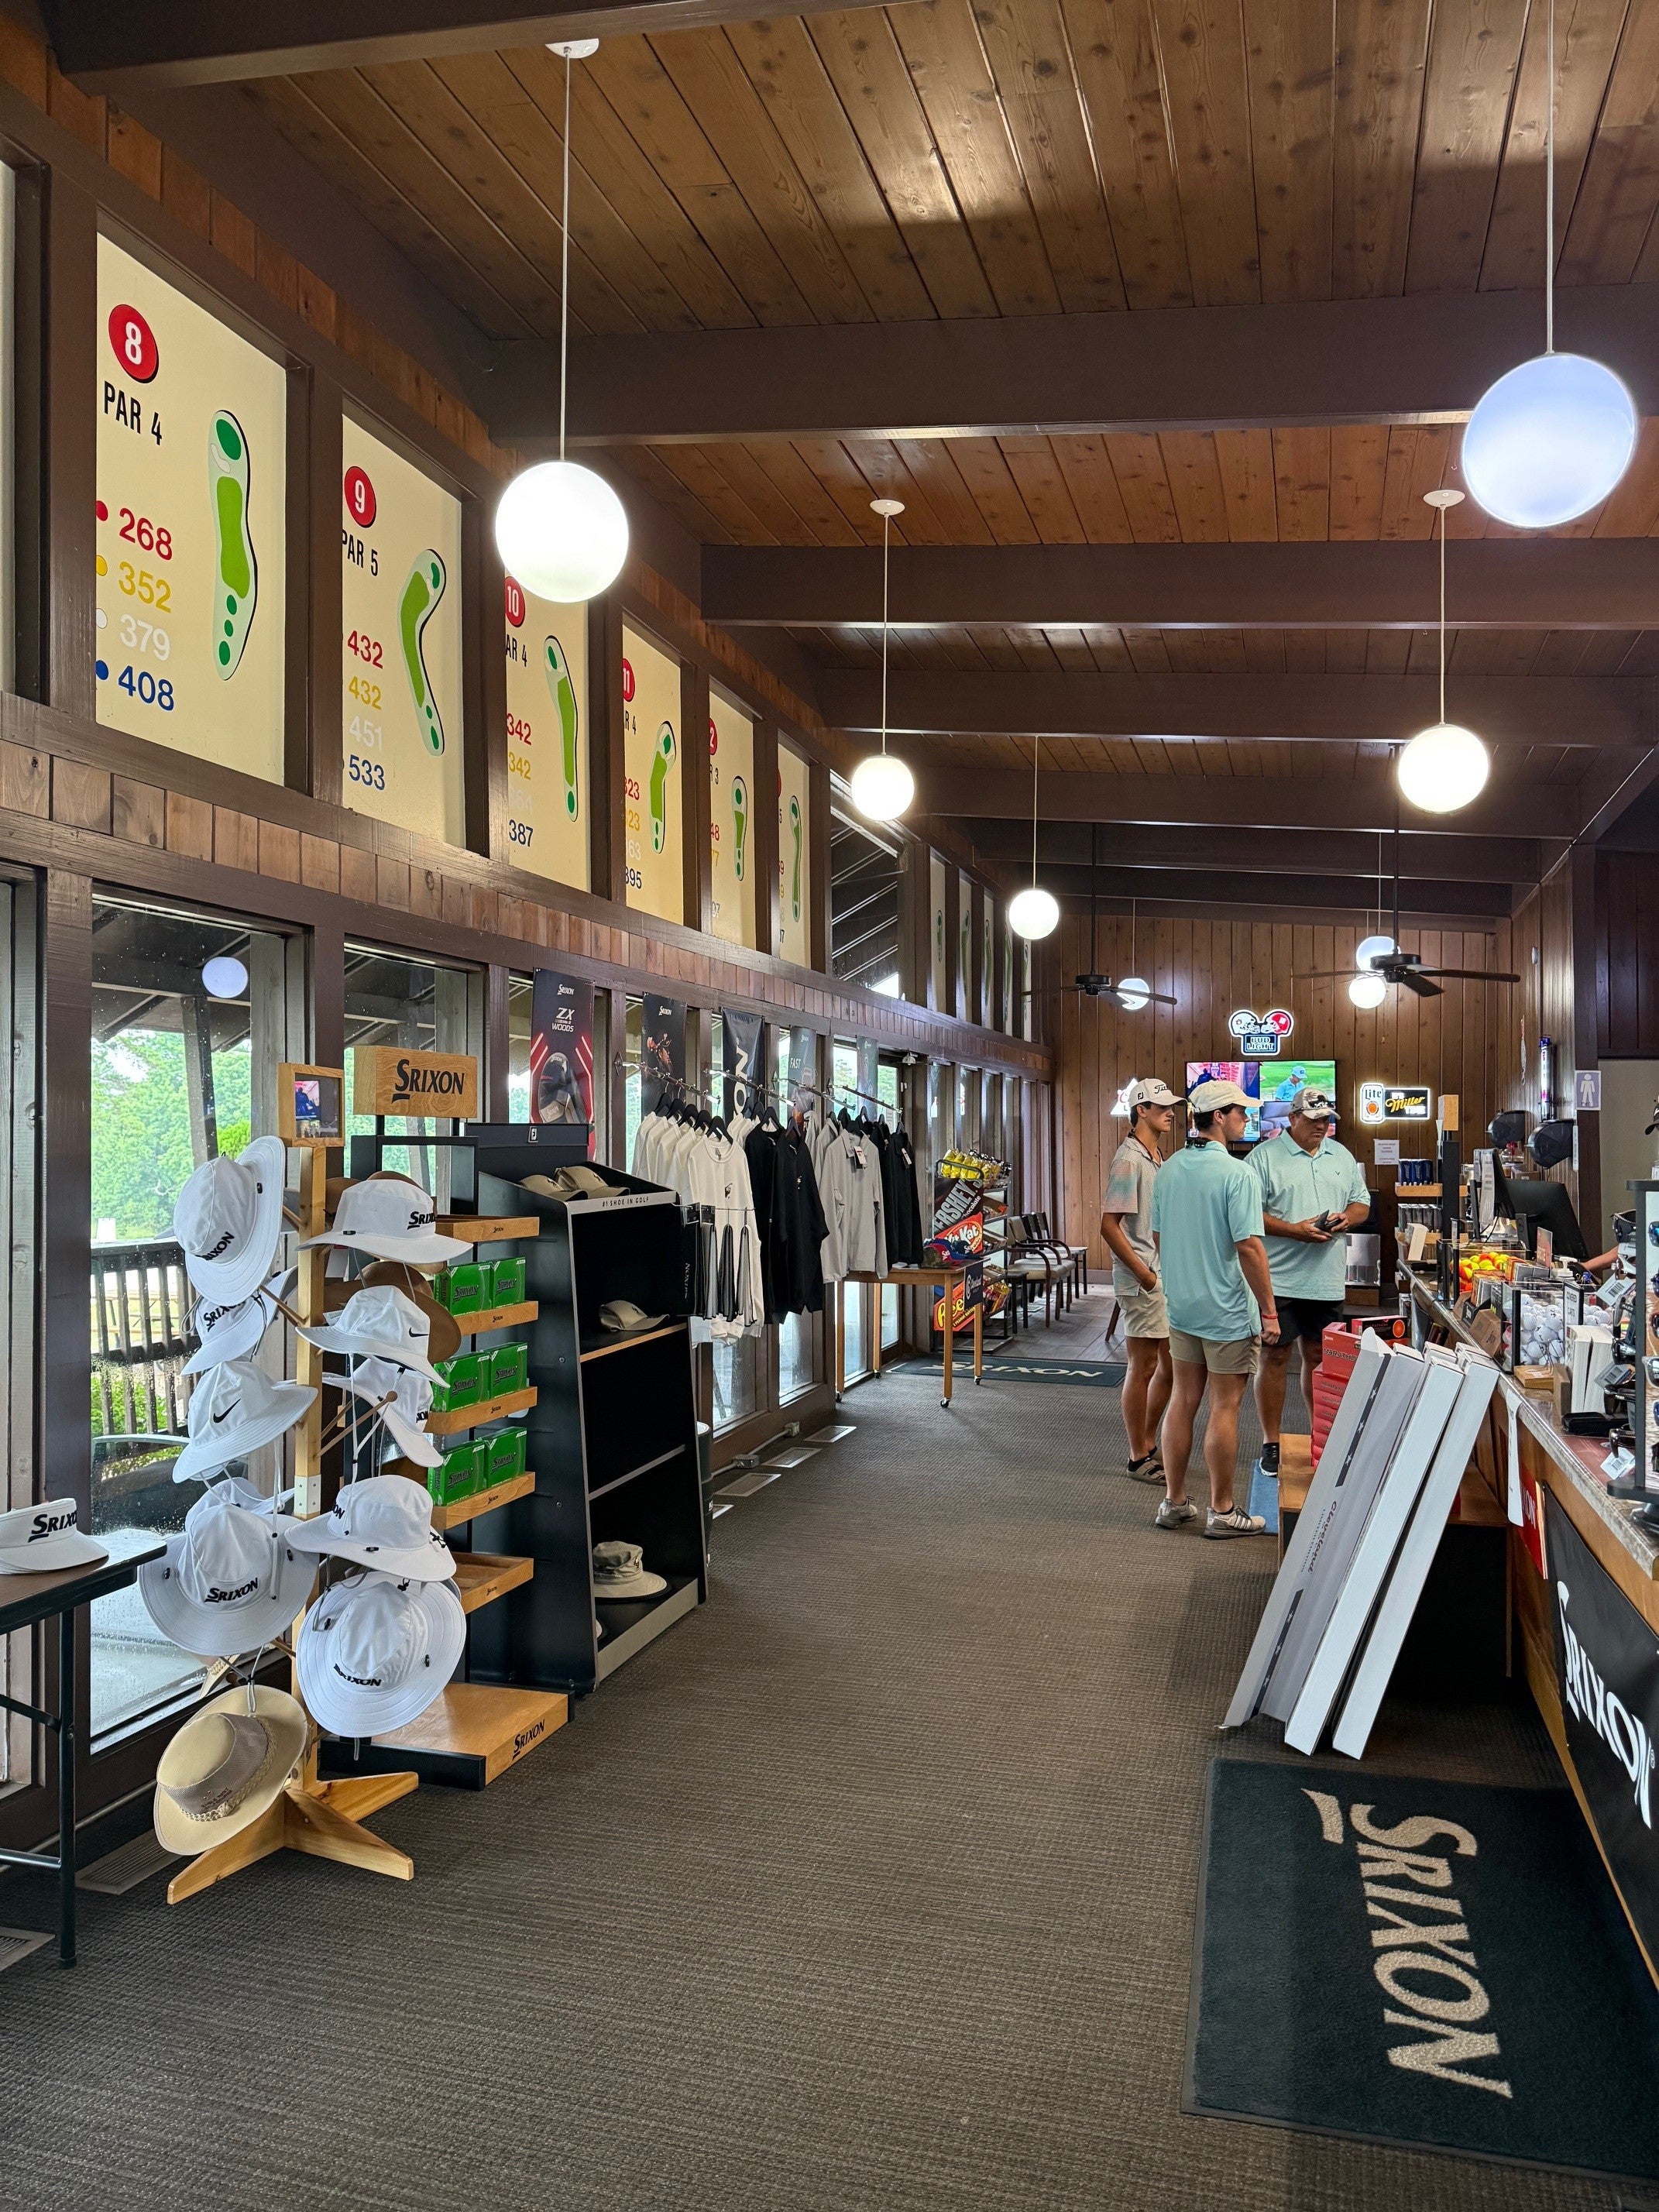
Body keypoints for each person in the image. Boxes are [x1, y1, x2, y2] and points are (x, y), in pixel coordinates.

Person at [1149, 1078, 1279, 1538]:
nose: (1246, 1119)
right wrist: (1269, 1310)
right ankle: (1222, 1511)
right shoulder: (1238, 1174)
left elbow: (1159, 1240)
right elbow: (1249, 1247)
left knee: (1183, 1400)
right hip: (1226, 1311)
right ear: (1218, 1117)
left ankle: (1174, 1502)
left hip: (1181, 1307)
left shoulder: (1168, 1170)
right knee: (1226, 1406)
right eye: (1240, 1112)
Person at [1249, 1085, 1370, 1474]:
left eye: (1327, 1120)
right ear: (1293, 1118)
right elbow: (1248, 1215)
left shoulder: (1342, 1155)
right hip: (1278, 1279)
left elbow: (1361, 1201)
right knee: (1275, 1356)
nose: (1322, 1126)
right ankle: (1272, 1441)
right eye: (1315, 1119)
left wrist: (1347, 1219)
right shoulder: (1263, 1158)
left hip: (1326, 1279)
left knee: (1318, 1357)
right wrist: (1294, 1230)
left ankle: (1321, 1437)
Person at [1100, 1077, 1177, 1481]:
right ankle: (1137, 1454)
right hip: (1142, 1277)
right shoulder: (1129, 1159)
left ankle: (1147, 1442)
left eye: (1172, 1107)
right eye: (1161, 1107)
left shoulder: (1155, 1155)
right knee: (1144, 1365)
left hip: (1158, 1274)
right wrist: (1145, 1274)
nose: (1170, 1112)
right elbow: (1108, 1226)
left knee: (1168, 1364)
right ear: (1140, 1111)